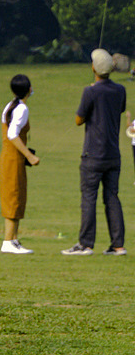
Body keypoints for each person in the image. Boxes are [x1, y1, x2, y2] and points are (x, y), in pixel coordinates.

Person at [63, 47, 127, 256]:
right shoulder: (120, 90)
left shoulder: (90, 91)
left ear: (94, 68)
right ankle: (118, 245)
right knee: (112, 197)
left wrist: (91, 93)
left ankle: (86, 244)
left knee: (89, 198)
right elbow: (118, 110)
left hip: (93, 154)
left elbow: (78, 119)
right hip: (113, 154)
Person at [0, 72, 39, 254]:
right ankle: (8, 240)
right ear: (29, 89)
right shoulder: (22, 109)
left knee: (17, 194)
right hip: (13, 157)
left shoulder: (11, 105)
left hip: (11, 157)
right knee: (13, 195)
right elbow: (12, 134)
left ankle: (14, 239)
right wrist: (29, 156)